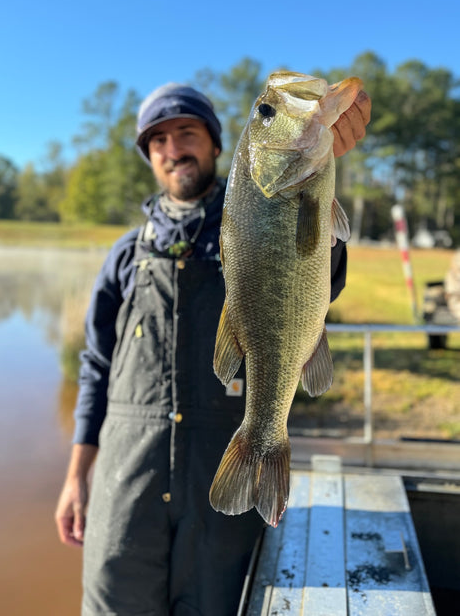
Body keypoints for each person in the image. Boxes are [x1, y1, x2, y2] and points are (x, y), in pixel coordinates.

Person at [55, 81, 371, 615]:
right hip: (126, 483)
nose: (174, 148)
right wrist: (75, 477)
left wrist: (321, 164)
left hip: (219, 478)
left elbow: (321, 276)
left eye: (187, 132)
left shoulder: (248, 213)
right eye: (159, 140)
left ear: (217, 144)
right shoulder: (125, 256)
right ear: (149, 156)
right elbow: (96, 368)